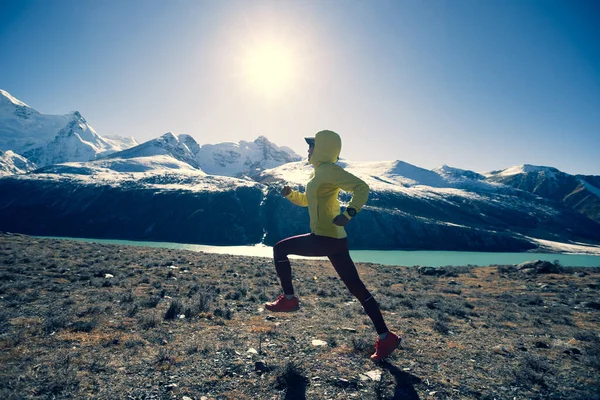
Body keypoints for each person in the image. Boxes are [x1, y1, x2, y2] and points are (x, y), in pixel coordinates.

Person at [265, 130, 401, 361]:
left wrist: (349, 213)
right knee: (358, 290)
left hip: (326, 239)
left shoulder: (329, 171)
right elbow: (307, 201)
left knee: (279, 249)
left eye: (311, 146)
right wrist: (290, 194)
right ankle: (386, 337)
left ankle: (289, 299)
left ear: (322, 149)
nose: (307, 150)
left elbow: (362, 188)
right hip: (334, 240)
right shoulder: (318, 175)